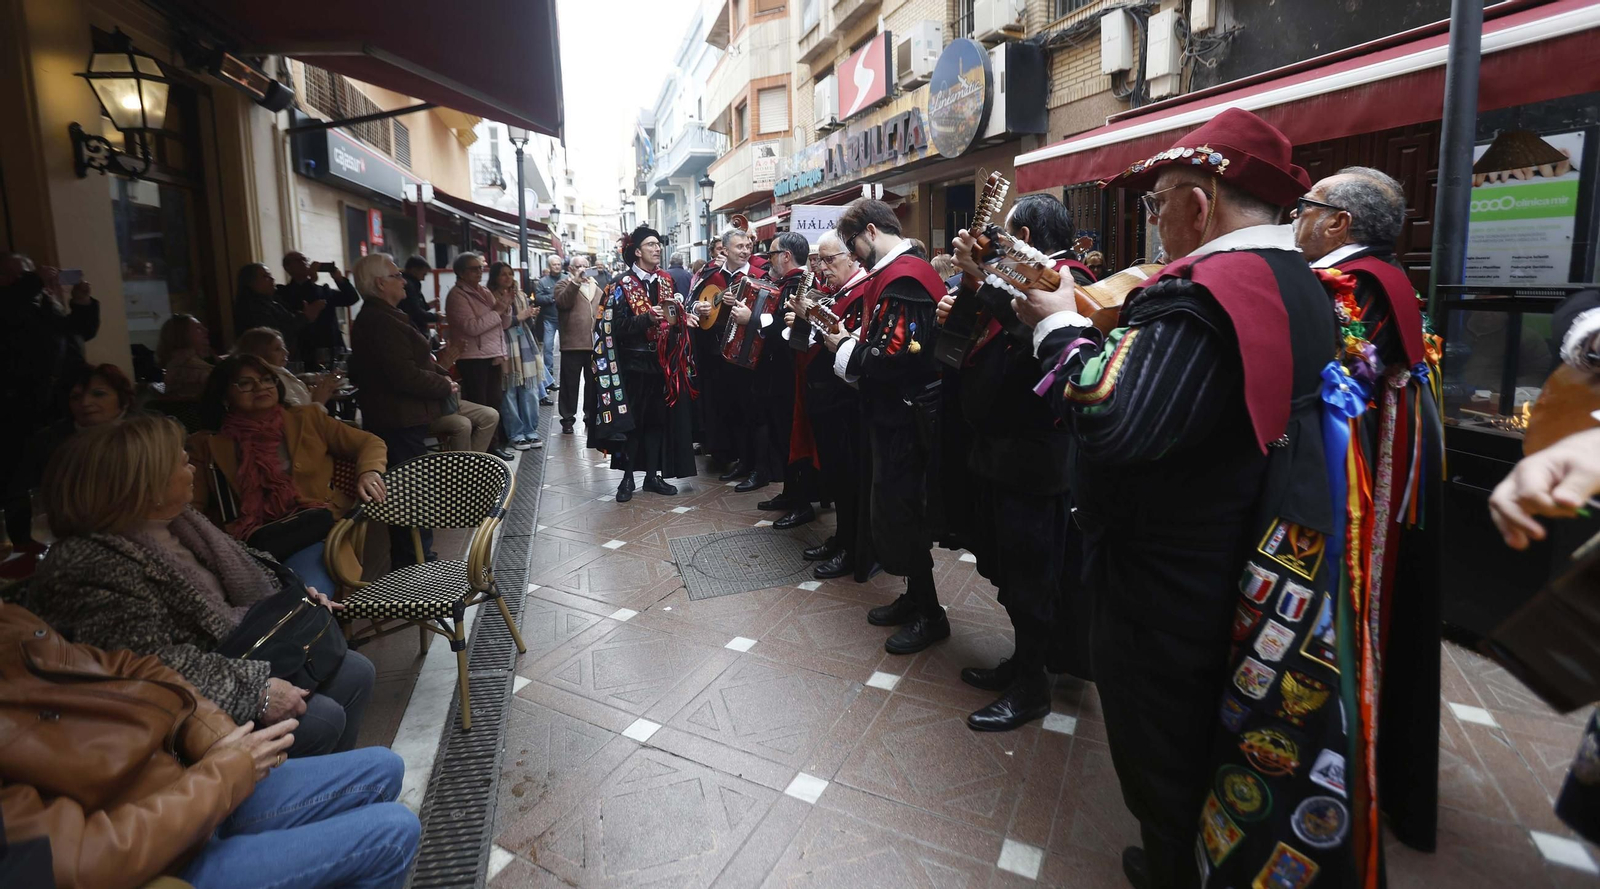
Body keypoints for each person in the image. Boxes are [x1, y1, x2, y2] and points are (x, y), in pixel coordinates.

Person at [1016, 108, 1342, 888]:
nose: (1154, 219)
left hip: (1173, 579)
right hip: (1253, 545)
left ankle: (1173, 858)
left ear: (1200, 204)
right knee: (1220, 735)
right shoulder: (1297, 279)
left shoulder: (1203, 293)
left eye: (1159, 203)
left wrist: (1060, 328)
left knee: (1164, 749)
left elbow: (1112, 420)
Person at [27, 415, 377, 759]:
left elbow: (257, 574)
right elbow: (146, 666)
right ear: (144, 484)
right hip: (180, 710)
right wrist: (256, 691)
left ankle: (330, 791)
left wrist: (299, 600)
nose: (192, 468)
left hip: (242, 653)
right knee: (321, 720)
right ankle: (287, 804)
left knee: (357, 671)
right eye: (182, 463)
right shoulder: (91, 563)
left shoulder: (183, 523)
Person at [0, 603, 419, 889]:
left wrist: (217, 737)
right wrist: (223, 775)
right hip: (165, 863)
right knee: (394, 832)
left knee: (383, 768)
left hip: (190, 793)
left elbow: (139, 668)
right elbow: (78, 864)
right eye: (181, 466)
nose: (190, 471)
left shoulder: (11, 623)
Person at [1294, 165, 1444, 856]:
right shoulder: (1395, 281)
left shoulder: (1345, 287)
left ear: (1337, 223)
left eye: (1304, 208)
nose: (1295, 220)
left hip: (1345, 493)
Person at [941, 194, 1095, 733]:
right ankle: (1026, 661)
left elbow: (1034, 333)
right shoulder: (1014, 276)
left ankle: (1033, 686)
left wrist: (982, 282)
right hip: (1001, 448)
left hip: (1035, 456)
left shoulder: (1062, 281)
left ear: (1024, 234)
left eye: (1006, 234)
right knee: (1012, 564)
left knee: (1032, 570)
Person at [823, 200, 949, 655]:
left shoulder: (907, 279)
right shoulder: (899, 276)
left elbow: (894, 355)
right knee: (897, 512)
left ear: (872, 231)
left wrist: (845, 348)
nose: (854, 258)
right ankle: (918, 598)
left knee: (903, 513)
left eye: (854, 246)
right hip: (898, 415)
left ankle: (931, 614)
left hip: (907, 419)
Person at [189, 353, 388, 598]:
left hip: (315, 531)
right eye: (246, 383)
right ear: (224, 395)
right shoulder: (207, 444)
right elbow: (193, 508)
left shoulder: (307, 419)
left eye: (267, 379)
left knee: (298, 596)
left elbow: (370, 442)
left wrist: (368, 472)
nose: (260, 387)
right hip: (248, 544)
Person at [348, 252, 462, 567]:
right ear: (380, 283)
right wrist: (443, 385)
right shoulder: (379, 320)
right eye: (397, 275)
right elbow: (404, 375)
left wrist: (440, 374)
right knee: (409, 491)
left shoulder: (385, 315)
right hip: (396, 419)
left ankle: (417, 555)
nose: (403, 280)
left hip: (402, 416)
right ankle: (415, 561)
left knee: (410, 488)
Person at [588, 225, 697, 501]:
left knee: (656, 422)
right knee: (630, 424)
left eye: (658, 244)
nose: (657, 248)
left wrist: (684, 321)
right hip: (631, 365)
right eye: (650, 244)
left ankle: (652, 476)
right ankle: (626, 479)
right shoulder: (619, 285)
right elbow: (612, 327)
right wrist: (645, 319)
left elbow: (672, 318)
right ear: (637, 252)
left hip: (661, 365)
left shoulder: (665, 281)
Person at [792, 230, 874, 581]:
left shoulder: (863, 289)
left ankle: (853, 548)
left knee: (850, 479)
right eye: (819, 260)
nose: (822, 268)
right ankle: (842, 538)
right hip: (828, 398)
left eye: (830, 259)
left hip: (848, 403)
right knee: (838, 478)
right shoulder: (836, 291)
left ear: (853, 256)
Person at [5, 362, 134, 552]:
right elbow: (20, 502)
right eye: (76, 397)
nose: (85, 403)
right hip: (67, 537)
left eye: (98, 394)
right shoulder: (47, 442)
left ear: (123, 400)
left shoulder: (145, 434)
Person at [739, 232, 815, 526]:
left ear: (785, 256)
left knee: (792, 434)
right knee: (781, 435)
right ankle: (789, 491)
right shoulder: (786, 284)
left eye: (771, 254)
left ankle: (801, 500)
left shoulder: (800, 284)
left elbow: (786, 325)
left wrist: (753, 320)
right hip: (778, 374)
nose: (768, 260)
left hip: (791, 374)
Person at [0, 254, 99, 447]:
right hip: (22, 406)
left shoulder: (47, 303)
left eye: (24, 274)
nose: (17, 279)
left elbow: (79, 333)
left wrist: (81, 301)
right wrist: (34, 281)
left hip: (63, 399)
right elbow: (12, 317)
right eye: (9, 274)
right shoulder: (9, 305)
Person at [445, 252, 517, 461]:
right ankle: (481, 451)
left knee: (494, 402)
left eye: (480, 268)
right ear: (461, 272)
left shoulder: (484, 291)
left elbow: (502, 324)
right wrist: (498, 310)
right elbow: (472, 327)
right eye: (474, 268)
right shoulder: (457, 295)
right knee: (480, 403)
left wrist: (506, 307)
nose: (479, 272)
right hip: (473, 357)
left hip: (492, 353)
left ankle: (492, 446)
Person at [491, 260, 545, 450]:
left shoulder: (520, 294)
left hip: (524, 344)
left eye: (510, 274)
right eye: (503, 274)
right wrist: (518, 317)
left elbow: (526, 323)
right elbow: (496, 321)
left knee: (530, 389)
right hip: (505, 344)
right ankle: (516, 433)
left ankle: (531, 430)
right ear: (495, 277)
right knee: (510, 391)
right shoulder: (491, 296)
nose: (508, 278)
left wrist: (530, 315)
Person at [277, 252, 359, 367]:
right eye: (298, 260)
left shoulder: (324, 290)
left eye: (305, 260)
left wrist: (339, 279)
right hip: (305, 352)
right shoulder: (283, 292)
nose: (304, 263)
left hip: (332, 349)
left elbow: (352, 298)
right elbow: (301, 300)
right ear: (287, 267)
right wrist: (311, 281)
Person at [233, 326, 340, 409]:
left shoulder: (281, 373)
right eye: (277, 349)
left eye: (284, 347)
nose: (286, 352)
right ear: (260, 353)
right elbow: (298, 422)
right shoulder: (272, 382)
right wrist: (319, 401)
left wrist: (315, 394)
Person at [555, 254, 604, 434]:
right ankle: (567, 419)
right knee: (570, 385)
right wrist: (575, 282)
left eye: (585, 265)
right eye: (578, 266)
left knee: (592, 384)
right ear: (571, 269)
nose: (583, 269)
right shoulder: (562, 285)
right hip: (572, 345)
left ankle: (590, 416)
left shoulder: (596, 287)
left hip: (593, 344)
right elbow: (563, 303)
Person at [233, 262, 317, 359]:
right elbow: (273, 334)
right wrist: (304, 318)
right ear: (250, 283)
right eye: (266, 276)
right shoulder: (251, 307)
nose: (272, 279)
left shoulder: (272, 300)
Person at [156, 313, 217, 400]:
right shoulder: (201, 371)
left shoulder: (173, 366)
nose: (206, 330)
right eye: (198, 328)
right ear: (182, 335)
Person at [533, 255, 563, 402]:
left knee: (566, 348)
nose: (557, 266)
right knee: (548, 347)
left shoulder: (567, 278)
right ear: (549, 266)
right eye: (554, 265)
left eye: (558, 264)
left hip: (565, 319)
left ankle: (564, 375)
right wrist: (553, 297)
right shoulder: (543, 282)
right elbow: (537, 298)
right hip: (549, 320)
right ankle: (549, 377)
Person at [399, 255, 442, 334]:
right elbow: (415, 312)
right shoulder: (409, 286)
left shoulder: (412, 284)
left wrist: (428, 306)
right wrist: (436, 317)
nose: (423, 279)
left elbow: (414, 306)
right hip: (414, 330)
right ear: (414, 270)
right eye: (423, 274)